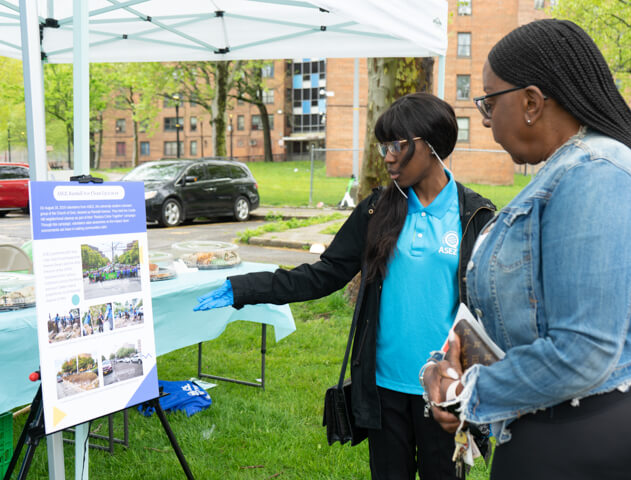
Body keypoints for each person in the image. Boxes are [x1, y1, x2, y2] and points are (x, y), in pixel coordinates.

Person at [421, 19, 631, 480]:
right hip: (559, 418)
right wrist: (445, 363)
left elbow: (584, 348)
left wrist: (471, 390)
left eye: (490, 102)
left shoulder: (597, 172)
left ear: (531, 102)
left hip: (587, 428)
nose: (486, 119)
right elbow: (521, 315)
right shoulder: (565, 170)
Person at [194, 92, 496, 479]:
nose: (386, 156)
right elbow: (325, 273)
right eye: (383, 146)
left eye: (397, 145)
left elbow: (493, 306)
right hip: (383, 386)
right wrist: (244, 288)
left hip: (445, 389)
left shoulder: (476, 215)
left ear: (431, 146)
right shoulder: (377, 210)